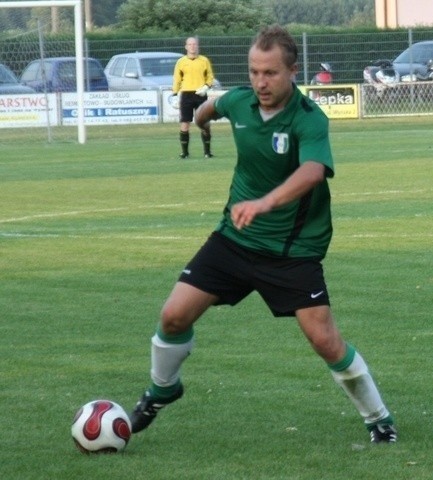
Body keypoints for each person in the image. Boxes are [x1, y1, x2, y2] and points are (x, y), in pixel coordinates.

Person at [130, 25, 397, 444]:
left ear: (293, 71)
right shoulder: (240, 100)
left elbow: (312, 171)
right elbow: (211, 108)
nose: (261, 81)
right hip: (234, 239)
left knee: (326, 342)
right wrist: (201, 121)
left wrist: (265, 202)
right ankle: (164, 389)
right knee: (173, 315)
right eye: (254, 71)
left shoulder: (309, 119)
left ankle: (378, 418)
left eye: (271, 73)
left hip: (292, 250)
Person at [172, 36, 216, 159]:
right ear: (186, 47)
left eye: (194, 44)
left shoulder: (204, 61)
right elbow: (177, 79)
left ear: (198, 46)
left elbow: (210, 76)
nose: (192, 46)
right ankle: (185, 153)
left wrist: (206, 87)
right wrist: (175, 94)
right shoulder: (181, 62)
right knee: (185, 123)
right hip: (186, 94)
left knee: (204, 123)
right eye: (190, 44)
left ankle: (207, 152)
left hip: (200, 94)